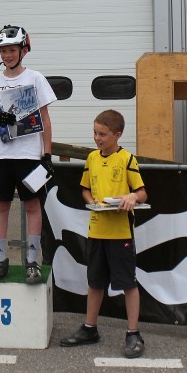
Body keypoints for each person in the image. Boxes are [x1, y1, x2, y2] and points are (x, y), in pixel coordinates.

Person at [59, 109, 148, 358]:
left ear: (117, 135)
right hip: (96, 231)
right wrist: (93, 201)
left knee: (128, 284)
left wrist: (131, 197)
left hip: (120, 234)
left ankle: (133, 333)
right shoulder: (92, 159)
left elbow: (142, 193)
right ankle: (90, 328)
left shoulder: (127, 159)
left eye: (103, 134)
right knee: (95, 282)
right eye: (95, 133)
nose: (97, 138)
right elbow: (86, 190)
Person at [0, 25, 56, 285]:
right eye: (3, 51)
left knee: (32, 206)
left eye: (11, 50)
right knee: (1, 206)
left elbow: (45, 118)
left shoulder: (35, 78)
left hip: (29, 155)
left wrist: (47, 153)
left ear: (23, 50)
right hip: (0, 154)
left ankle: (32, 261)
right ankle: (0, 260)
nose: (7, 55)